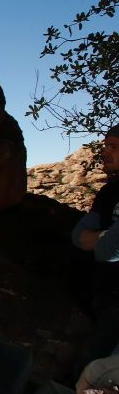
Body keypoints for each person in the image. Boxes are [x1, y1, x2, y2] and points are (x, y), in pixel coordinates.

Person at [71, 125, 119, 378]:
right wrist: (108, 235)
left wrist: (104, 238)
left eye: (114, 147)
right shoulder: (109, 192)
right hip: (104, 297)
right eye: (105, 145)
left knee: (95, 377)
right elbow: (78, 236)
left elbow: (108, 251)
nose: (105, 152)